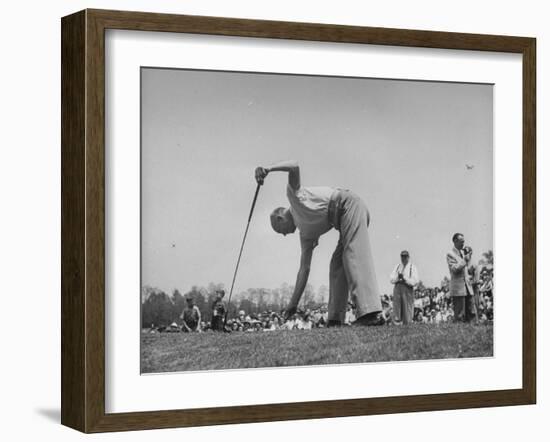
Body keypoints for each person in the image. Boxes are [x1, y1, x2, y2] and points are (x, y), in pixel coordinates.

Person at [255, 160, 383, 326]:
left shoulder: (294, 199)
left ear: (280, 218)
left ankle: (370, 313)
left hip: (349, 204)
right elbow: (304, 270)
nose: (285, 235)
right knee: (336, 266)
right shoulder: (305, 235)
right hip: (342, 220)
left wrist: (268, 169)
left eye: (281, 231)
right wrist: (293, 304)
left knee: (352, 254)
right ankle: (335, 319)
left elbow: (294, 166)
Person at [446, 233, 476, 322]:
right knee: (460, 314)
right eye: (461, 241)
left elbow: (466, 269)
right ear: (455, 241)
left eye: (464, 241)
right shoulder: (450, 254)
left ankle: (471, 330)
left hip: (467, 287)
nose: (463, 244)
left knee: (471, 312)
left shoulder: (462, 253)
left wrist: (470, 261)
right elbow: (454, 269)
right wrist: (465, 260)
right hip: (458, 289)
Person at [389, 250, 419, 325]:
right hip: (398, 287)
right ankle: (397, 322)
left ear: (408, 257)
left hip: (407, 288)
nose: (403, 258)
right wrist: (398, 278)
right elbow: (391, 279)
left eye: (405, 256)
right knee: (397, 306)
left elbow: (415, 281)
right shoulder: (397, 266)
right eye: (402, 256)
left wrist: (405, 278)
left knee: (407, 307)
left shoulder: (412, 267)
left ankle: (407, 322)